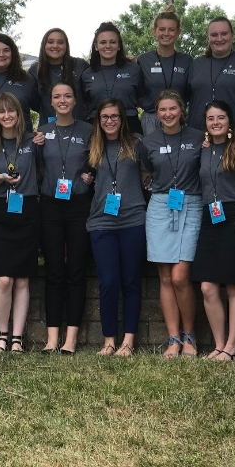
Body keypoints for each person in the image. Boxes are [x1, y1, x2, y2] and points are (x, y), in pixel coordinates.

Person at [141, 90, 203, 357]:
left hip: (190, 203)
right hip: (159, 206)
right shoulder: (149, 141)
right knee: (165, 277)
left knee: (180, 276)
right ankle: (173, 338)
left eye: (172, 109)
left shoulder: (199, 137)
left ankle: (190, 335)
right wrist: (149, 185)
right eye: (162, 110)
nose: (167, 114)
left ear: (182, 110)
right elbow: (145, 171)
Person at [0, 92, 41, 353]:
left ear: (19, 114)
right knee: (3, 279)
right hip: (0, 211)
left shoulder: (33, 141)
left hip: (27, 210)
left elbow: (44, 171)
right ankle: (2, 335)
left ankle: (17, 338)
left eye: (11, 111)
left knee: (22, 279)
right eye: (1, 112)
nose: (7, 116)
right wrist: (1, 178)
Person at [86, 98, 147, 356]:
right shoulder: (92, 147)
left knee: (131, 281)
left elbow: (148, 177)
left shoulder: (136, 145)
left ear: (122, 119)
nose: (109, 121)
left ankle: (128, 341)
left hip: (133, 219)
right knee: (108, 282)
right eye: (104, 117)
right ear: (99, 121)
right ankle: (109, 340)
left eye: (114, 116)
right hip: (101, 222)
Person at [37, 82, 93, 354]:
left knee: (76, 272)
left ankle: (71, 339)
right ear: (50, 101)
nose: (62, 100)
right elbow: (34, 166)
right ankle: (51, 339)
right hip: (49, 206)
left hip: (79, 205)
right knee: (54, 271)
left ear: (75, 100)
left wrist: (90, 176)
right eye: (57, 96)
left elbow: (97, 161)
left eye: (67, 96)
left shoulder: (88, 130)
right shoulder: (41, 133)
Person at [191, 100, 235, 361]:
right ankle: (219, 345)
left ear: (229, 120)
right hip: (209, 216)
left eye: (221, 117)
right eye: (211, 118)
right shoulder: (202, 150)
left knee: (233, 284)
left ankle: (232, 348)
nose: (216, 122)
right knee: (207, 286)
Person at [186, 17, 235, 133]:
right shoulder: (196, 65)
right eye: (214, 35)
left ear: (232, 35)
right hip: (198, 135)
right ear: (207, 38)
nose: (219, 39)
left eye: (224, 34)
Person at [138, 5, 193, 135]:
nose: (166, 34)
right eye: (162, 29)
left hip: (178, 119)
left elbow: (191, 93)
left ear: (178, 32)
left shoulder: (187, 60)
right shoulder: (143, 60)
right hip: (151, 120)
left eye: (171, 30)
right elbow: (137, 93)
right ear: (154, 31)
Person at [82, 22, 145, 134]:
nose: (108, 46)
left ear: (119, 45)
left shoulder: (134, 69)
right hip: (97, 129)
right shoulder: (87, 74)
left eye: (113, 42)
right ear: (96, 46)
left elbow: (141, 99)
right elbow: (85, 105)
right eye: (103, 42)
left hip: (129, 126)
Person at [28, 28, 88, 126]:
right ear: (44, 45)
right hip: (48, 130)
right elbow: (34, 103)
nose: (55, 46)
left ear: (66, 46)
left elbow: (89, 96)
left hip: (79, 129)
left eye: (60, 42)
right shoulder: (35, 70)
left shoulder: (79, 65)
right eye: (50, 42)